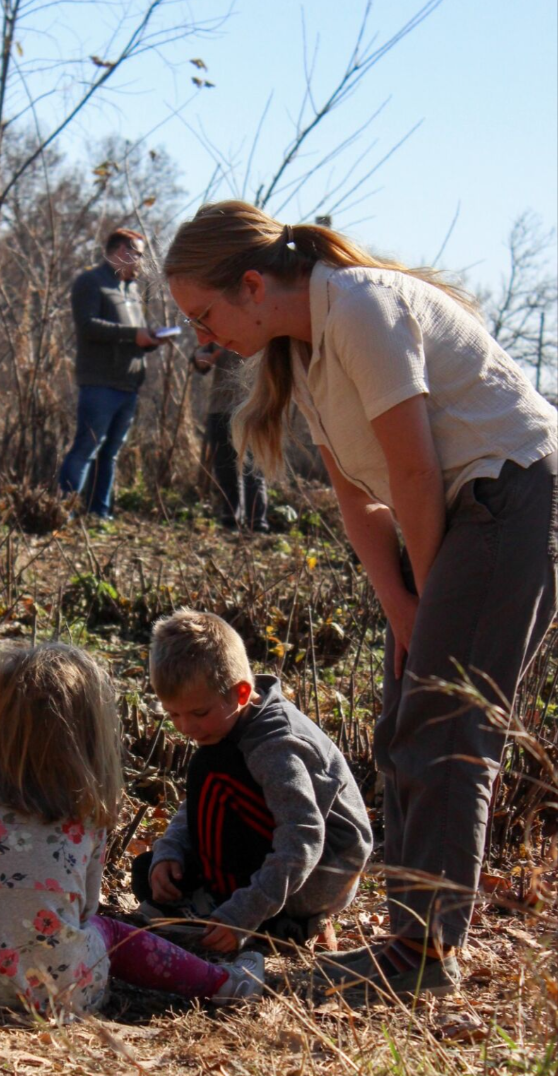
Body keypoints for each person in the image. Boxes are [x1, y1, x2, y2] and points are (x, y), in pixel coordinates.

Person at [162, 200, 557, 1001]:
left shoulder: (362, 307)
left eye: (206, 315)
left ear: (250, 283)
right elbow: (361, 502)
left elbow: (412, 471)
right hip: (456, 517)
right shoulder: (302, 355)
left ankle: (424, 955)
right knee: (401, 726)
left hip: (513, 498)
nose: (205, 336)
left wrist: (432, 595)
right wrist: (404, 610)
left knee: (446, 728)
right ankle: (411, 939)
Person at [0, 644, 264, 1013]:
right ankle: (221, 983)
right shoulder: (86, 814)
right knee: (107, 931)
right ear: (90, 737)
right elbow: (85, 910)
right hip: (59, 992)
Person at [132, 610, 373, 951]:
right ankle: (244, 907)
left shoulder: (275, 746)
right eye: (173, 714)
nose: (186, 727)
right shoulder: (232, 723)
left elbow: (303, 835)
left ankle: (269, 920)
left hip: (320, 874)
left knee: (210, 766)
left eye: (199, 713)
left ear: (241, 692)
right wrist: (170, 850)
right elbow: (203, 803)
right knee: (150, 873)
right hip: (283, 858)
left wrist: (242, 914)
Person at [58, 228, 168, 519]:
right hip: (100, 384)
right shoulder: (91, 282)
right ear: (121, 251)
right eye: (139, 255)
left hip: (128, 385)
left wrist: (149, 339)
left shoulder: (131, 290)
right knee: (86, 448)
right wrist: (135, 335)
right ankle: (61, 512)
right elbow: (88, 326)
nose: (141, 263)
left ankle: (99, 514)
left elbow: (132, 336)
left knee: (110, 454)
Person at [192, 343, 269, 531]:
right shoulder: (220, 322)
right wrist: (200, 358)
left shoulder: (267, 321)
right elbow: (200, 355)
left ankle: (256, 523)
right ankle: (230, 519)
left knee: (254, 467)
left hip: (253, 407)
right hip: (221, 407)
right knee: (225, 467)